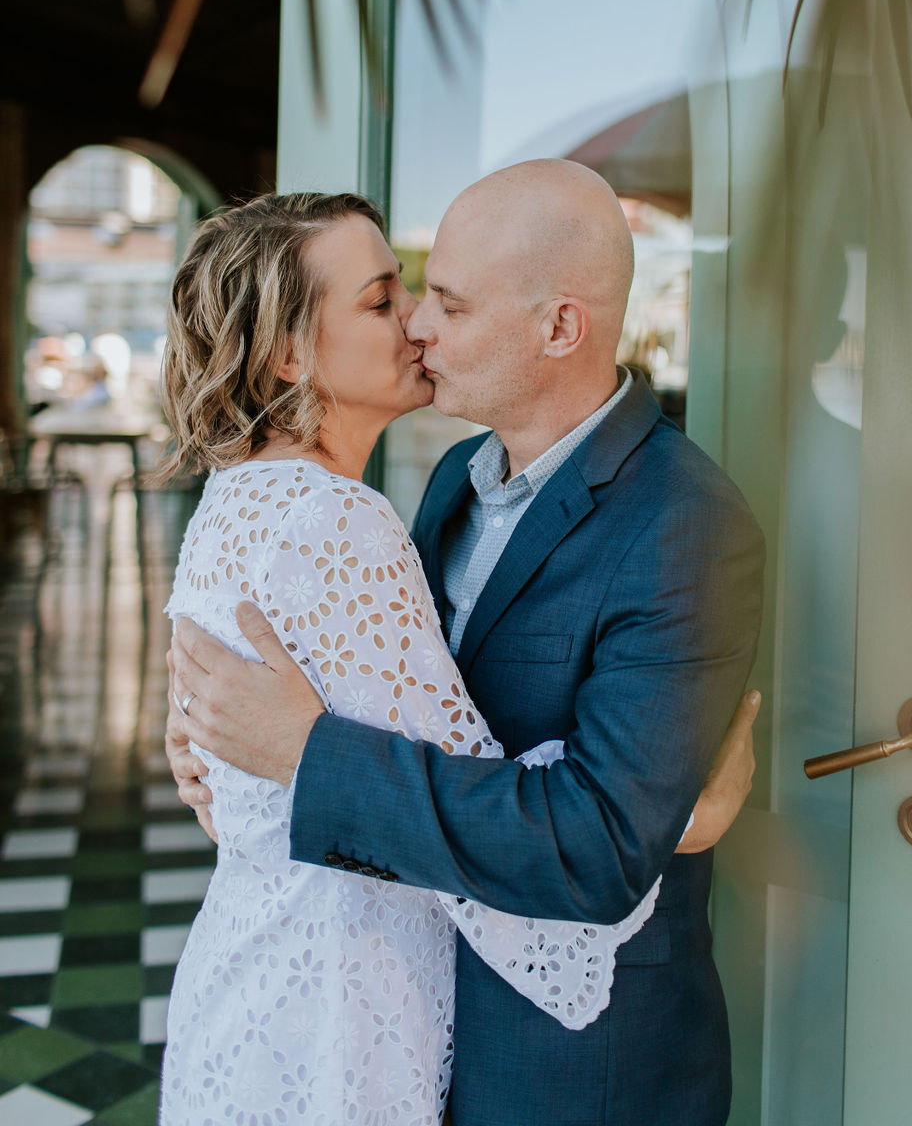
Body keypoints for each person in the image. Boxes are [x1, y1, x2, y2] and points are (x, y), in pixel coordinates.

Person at [169, 161, 764, 1126]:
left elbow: (602, 845)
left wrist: (304, 757)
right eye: (398, 297)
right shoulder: (452, 479)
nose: (418, 325)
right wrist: (218, 749)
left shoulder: (685, 525)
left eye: (443, 299)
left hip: (574, 1075)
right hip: (392, 1025)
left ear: (559, 327)